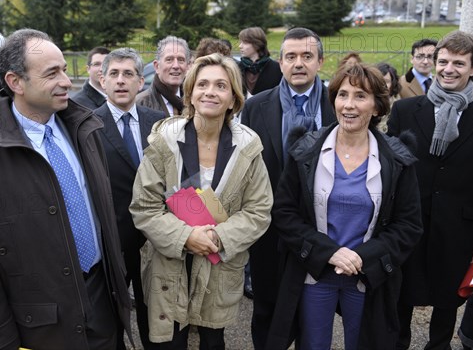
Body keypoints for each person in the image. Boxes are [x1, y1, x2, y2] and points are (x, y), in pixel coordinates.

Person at [0, 29, 132, 350]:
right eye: (52, 73)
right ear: (16, 82)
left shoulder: (85, 130)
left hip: (103, 304)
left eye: (64, 69)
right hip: (41, 327)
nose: (66, 81)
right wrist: (1, 341)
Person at [267, 62, 423, 349]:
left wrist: (363, 257)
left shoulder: (397, 160)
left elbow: (408, 225)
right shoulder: (305, 152)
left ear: (377, 107)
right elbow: (285, 213)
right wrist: (331, 252)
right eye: (342, 94)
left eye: (360, 96)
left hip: (368, 275)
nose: (348, 105)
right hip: (317, 272)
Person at [129, 53, 272, 348]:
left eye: (221, 85)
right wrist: (186, 236)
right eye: (202, 84)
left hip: (218, 264)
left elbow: (258, 210)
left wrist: (217, 237)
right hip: (169, 261)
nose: (210, 91)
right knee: (170, 342)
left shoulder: (248, 148)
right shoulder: (163, 142)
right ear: (190, 94)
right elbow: (144, 206)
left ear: (233, 98)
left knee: (212, 340)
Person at [388, 30, 473, 350]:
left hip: (458, 229)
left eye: (458, 63)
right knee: (401, 298)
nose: (448, 69)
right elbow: (392, 173)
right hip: (409, 225)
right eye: (442, 61)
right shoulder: (405, 111)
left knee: (446, 303)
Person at [240, 27, 337, 350]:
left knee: (314, 308)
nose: (299, 63)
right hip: (269, 228)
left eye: (307, 56)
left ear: (320, 61)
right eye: (291, 57)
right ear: (280, 62)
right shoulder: (257, 107)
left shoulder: (336, 105)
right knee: (266, 306)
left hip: (320, 226)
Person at [93, 48, 165, 350]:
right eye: (114, 74)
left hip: (156, 238)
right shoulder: (88, 126)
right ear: (102, 80)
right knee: (113, 313)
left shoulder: (160, 122)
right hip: (113, 238)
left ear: (141, 82)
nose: (121, 81)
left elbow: (177, 178)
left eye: (128, 74)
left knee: (156, 311)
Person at [136, 36, 190, 117]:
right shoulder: (139, 104)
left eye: (181, 60)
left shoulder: (194, 102)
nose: (176, 66)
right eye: (169, 59)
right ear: (157, 66)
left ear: (188, 66)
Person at [238, 27, 283, 98]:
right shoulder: (236, 67)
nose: (240, 46)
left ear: (257, 44)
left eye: (245, 43)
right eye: (240, 42)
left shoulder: (277, 69)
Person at [376, 62, 401, 133]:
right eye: (380, 81)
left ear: (393, 83)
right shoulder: (368, 103)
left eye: (386, 81)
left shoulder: (398, 106)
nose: (383, 85)